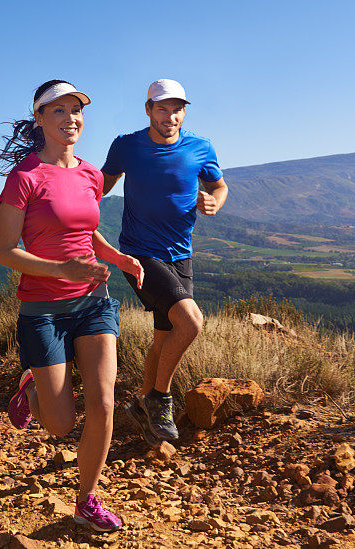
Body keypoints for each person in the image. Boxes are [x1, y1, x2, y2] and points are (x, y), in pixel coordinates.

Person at [0, 79, 144, 532]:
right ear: (39, 119)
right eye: (58, 110)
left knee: (103, 403)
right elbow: (4, 251)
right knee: (59, 425)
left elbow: (83, 229)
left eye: (76, 109)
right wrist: (64, 269)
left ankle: (85, 500)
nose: (70, 118)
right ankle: (32, 388)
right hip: (43, 311)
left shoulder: (91, 173)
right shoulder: (24, 177)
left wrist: (116, 257)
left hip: (94, 302)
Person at [101, 79, 228, 447]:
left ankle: (142, 403)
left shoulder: (200, 147)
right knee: (190, 322)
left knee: (163, 336)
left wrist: (214, 202)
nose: (169, 116)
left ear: (184, 111)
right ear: (148, 110)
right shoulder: (127, 146)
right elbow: (98, 187)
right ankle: (160, 397)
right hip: (139, 252)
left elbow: (219, 187)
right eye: (162, 108)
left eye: (177, 108)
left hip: (181, 254)